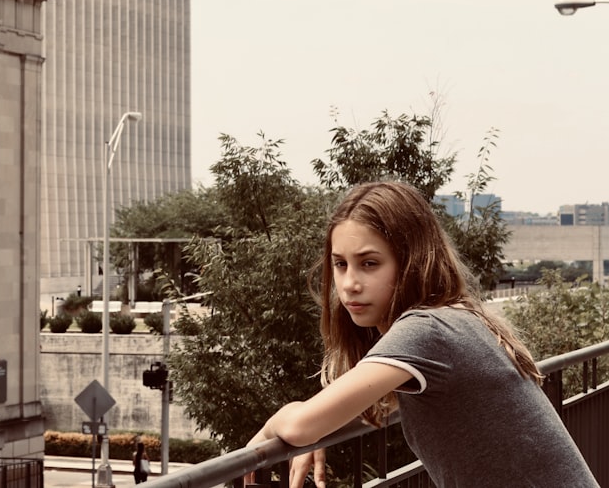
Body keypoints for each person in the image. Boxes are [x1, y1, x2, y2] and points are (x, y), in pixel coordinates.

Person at [245, 181, 599, 488]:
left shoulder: (426, 331)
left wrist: (290, 420)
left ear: (412, 261)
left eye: (369, 263)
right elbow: (331, 415)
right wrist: (321, 419)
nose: (349, 284)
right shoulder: (456, 317)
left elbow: (300, 426)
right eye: (340, 264)